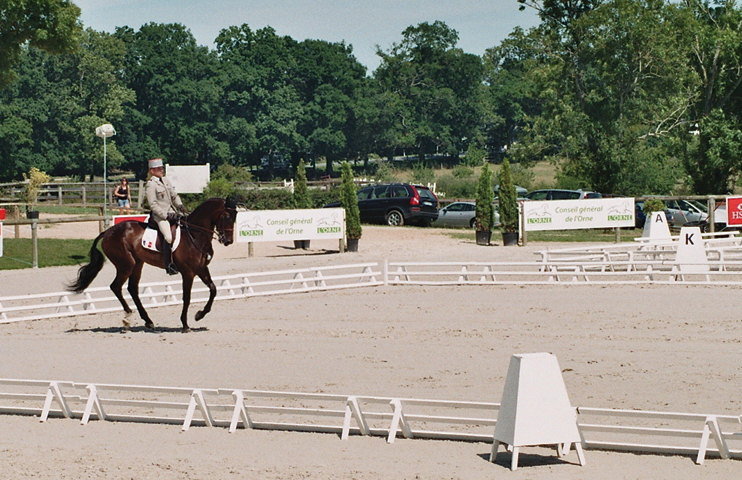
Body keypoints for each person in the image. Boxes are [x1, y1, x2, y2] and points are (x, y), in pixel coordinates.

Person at [145, 158, 186, 275]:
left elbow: (174, 196)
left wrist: (180, 205)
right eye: (158, 169)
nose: (161, 170)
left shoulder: (166, 181)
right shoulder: (151, 185)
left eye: (161, 168)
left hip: (172, 212)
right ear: (151, 171)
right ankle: (169, 265)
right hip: (160, 216)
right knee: (168, 237)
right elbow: (152, 204)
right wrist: (166, 216)